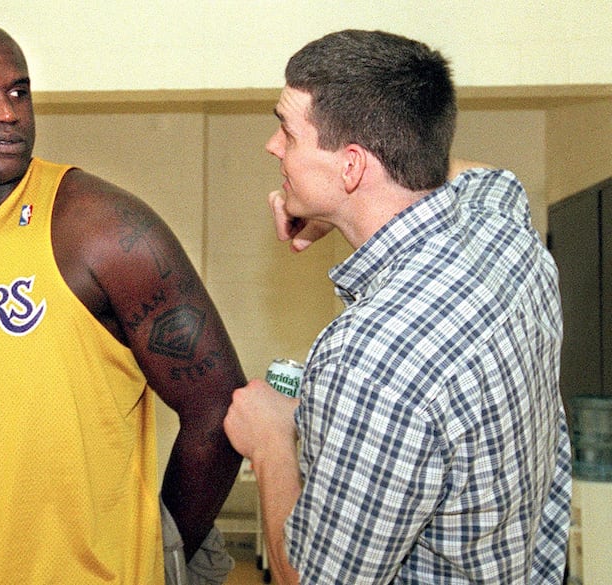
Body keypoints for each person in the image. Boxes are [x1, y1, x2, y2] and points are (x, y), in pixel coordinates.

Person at [0, 17, 245, 584]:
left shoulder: (100, 227)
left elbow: (217, 408)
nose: (7, 111)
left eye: (19, 92)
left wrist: (161, 552)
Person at [224, 29, 571, 584]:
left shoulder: (370, 359)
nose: (273, 146)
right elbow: (470, 172)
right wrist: (332, 207)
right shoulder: (503, 230)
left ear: (353, 166)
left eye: (287, 132)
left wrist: (270, 443)